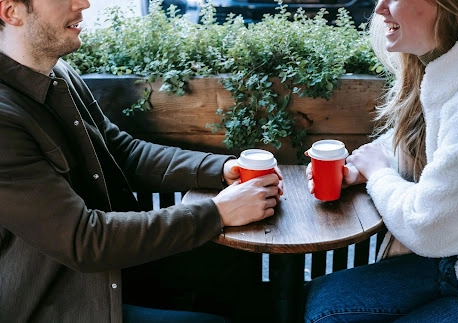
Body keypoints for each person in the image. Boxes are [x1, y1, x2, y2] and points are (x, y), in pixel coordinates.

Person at [0, 0, 283, 322]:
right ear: (11, 12)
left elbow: (123, 153)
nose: (84, 3)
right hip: (68, 298)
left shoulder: (58, 71)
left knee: (236, 259)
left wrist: (219, 169)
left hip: (122, 261)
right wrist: (218, 211)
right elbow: (83, 240)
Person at [303, 0, 458, 321]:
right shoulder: (451, 59)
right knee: (324, 303)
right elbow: (427, 142)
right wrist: (361, 167)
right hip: (456, 253)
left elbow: (429, 228)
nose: (379, 9)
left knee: (327, 314)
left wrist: (377, 174)